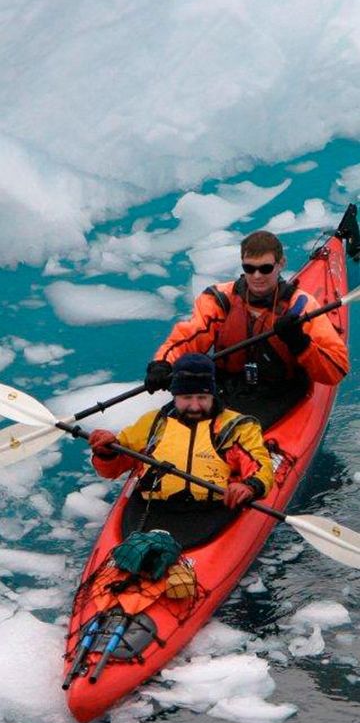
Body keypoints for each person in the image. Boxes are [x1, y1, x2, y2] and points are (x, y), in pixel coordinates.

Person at [144, 230, 349, 429]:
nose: (257, 276)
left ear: (281, 265)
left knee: (235, 431)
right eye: (249, 268)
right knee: (172, 423)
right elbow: (188, 337)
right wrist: (162, 363)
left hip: (278, 390)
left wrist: (299, 341)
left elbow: (336, 371)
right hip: (226, 383)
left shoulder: (302, 307)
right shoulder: (221, 299)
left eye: (265, 268)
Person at [89, 353, 274, 547]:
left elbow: (262, 468)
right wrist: (107, 452)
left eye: (202, 397)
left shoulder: (237, 427)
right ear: (175, 396)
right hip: (153, 509)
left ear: (213, 394)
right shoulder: (153, 423)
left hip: (214, 511)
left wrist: (250, 486)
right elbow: (110, 469)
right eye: (187, 398)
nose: (194, 405)